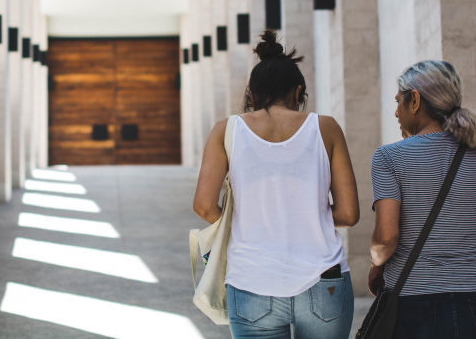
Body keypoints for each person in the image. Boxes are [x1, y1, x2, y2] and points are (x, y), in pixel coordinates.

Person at [193, 30, 359, 339]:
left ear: (252, 95)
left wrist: (248, 220)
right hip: (324, 282)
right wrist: (306, 215)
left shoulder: (225, 131)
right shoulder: (326, 128)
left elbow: (203, 205)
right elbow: (349, 214)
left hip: (251, 281)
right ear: (298, 93)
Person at [369, 60, 476, 338]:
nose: (395, 112)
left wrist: (375, 264)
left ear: (414, 100)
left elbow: (386, 238)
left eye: (398, 102)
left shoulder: (389, 158)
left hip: (413, 302)